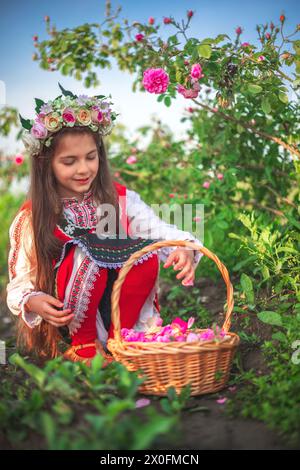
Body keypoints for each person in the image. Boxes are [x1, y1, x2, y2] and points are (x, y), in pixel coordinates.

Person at [6, 84, 203, 366]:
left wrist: (183, 246)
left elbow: (159, 231)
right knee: (88, 250)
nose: (83, 169)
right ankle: (84, 347)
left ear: (100, 153)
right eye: (69, 161)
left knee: (143, 252)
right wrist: (32, 300)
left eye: (90, 157)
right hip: (69, 319)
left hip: (121, 313)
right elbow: (21, 279)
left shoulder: (119, 199)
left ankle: (121, 341)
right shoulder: (35, 215)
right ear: (46, 164)